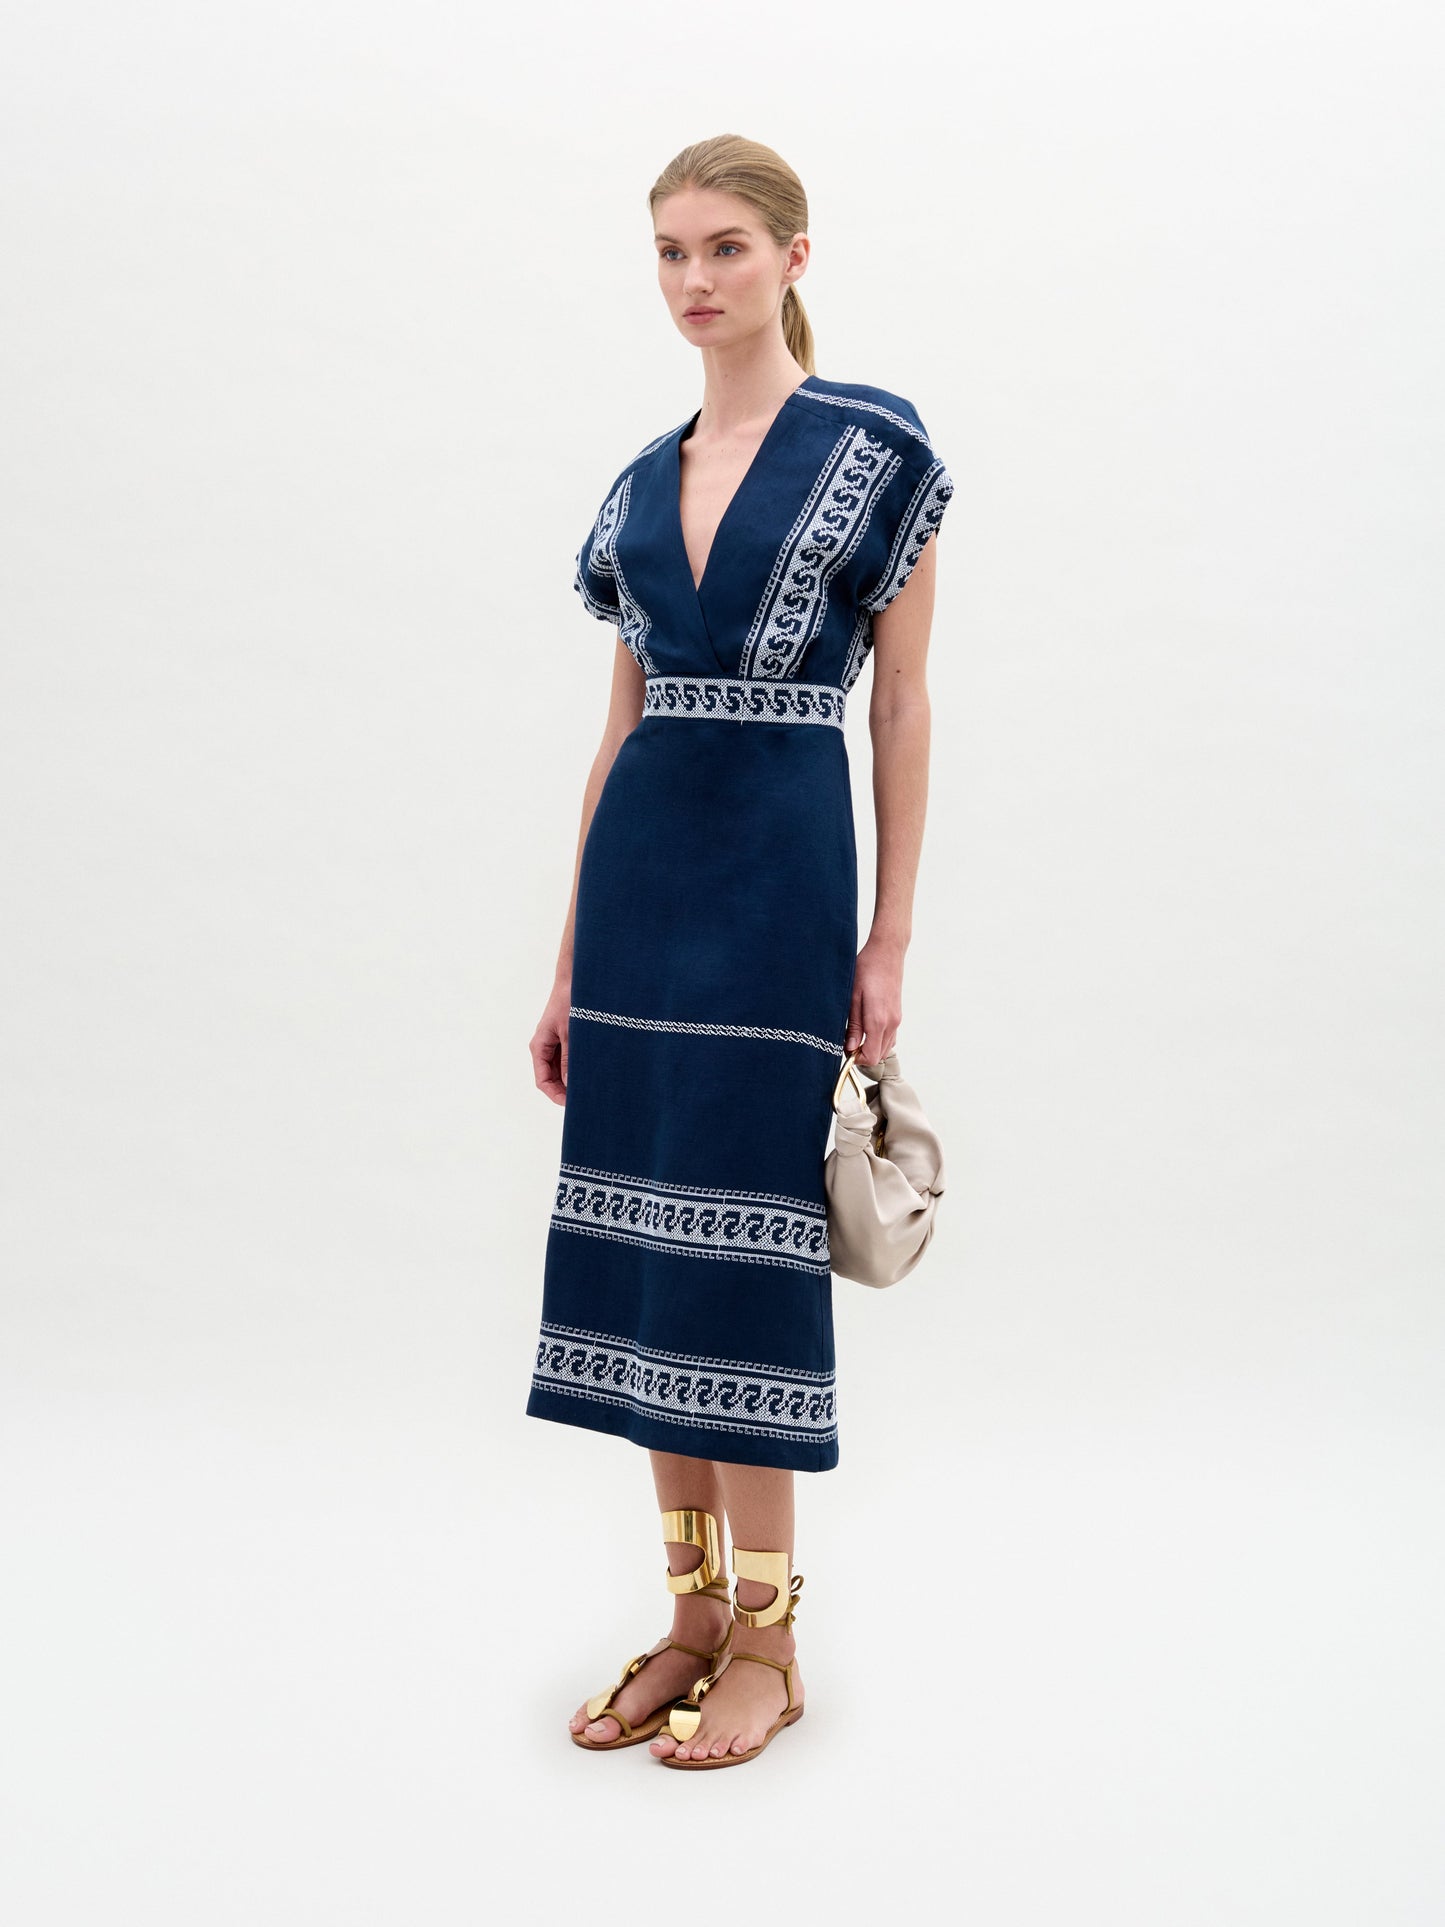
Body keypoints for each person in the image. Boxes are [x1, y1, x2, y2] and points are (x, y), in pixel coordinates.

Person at [526, 134, 953, 1769]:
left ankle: (772, 1636)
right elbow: (615, 727)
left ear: (791, 256)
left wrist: (885, 937)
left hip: (779, 886)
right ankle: (691, 1614)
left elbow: (902, 705)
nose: (691, 282)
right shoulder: (641, 481)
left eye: (720, 248)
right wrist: (566, 961)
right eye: (665, 253)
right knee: (642, 1246)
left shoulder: (876, 447)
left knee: (739, 1244)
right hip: (637, 896)